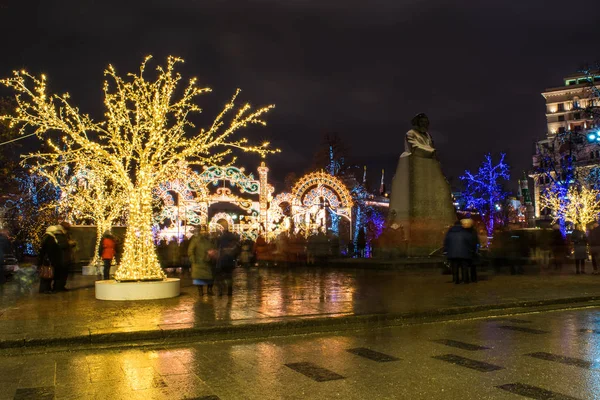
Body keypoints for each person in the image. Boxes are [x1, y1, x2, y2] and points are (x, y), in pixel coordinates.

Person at [38, 224, 70, 293]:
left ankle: (46, 289)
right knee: (47, 275)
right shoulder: (50, 238)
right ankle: (45, 289)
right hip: (49, 260)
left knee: (48, 275)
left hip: (47, 260)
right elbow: (51, 250)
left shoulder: (46, 236)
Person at [188, 227, 214, 295]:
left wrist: (211, 254)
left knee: (210, 277)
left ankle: (209, 290)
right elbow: (191, 250)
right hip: (198, 262)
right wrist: (192, 258)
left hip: (208, 261)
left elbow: (213, 248)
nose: (204, 232)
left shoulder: (209, 239)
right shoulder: (195, 240)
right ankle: (200, 291)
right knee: (199, 278)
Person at [214, 228, 239, 296]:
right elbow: (236, 252)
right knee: (229, 276)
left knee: (219, 277)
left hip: (222, 261)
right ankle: (229, 291)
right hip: (230, 261)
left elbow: (218, 250)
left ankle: (220, 291)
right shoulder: (233, 242)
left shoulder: (220, 240)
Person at [460, 217, 480, 283]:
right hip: (472, 250)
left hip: (464, 251)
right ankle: (473, 278)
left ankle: (465, 279)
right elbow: (477, 241)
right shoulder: (473, 232)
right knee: (473, 266)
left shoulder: (461, 232)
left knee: (464, 266)